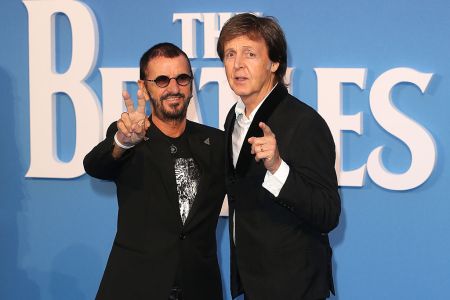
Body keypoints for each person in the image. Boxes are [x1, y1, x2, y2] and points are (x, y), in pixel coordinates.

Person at [84, 42, 225, 300]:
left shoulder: (217, 143)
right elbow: (95, 165)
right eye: (162, 80)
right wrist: (122, 142)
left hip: (199, 287)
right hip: (135, 286)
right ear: (144, 88)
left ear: (192, 84)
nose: (174, 88)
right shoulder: (130, 139)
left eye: (182, 78)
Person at [217, 13, 341, 300]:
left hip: (295, 285)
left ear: (274, 63)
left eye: (250, 53)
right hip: (254, 282)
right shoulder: (233, 119)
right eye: (230, 54)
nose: (238, 65)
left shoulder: (305, 122)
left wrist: (277, 167)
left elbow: (327, 213)